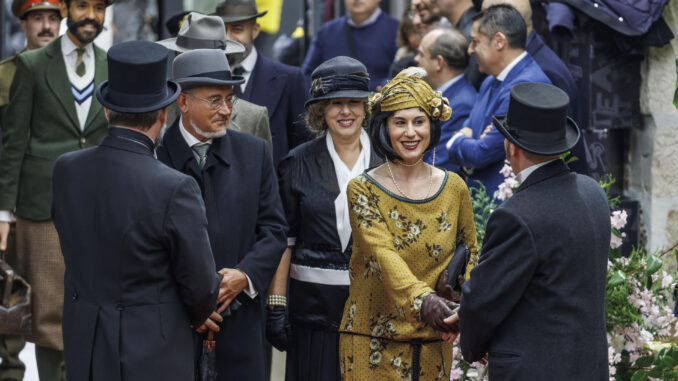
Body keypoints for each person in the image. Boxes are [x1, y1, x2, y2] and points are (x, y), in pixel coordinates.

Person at [52, 40, 223, 381]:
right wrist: (198, 311)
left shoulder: (65, 168)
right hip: (150, 351)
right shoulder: (175, 187)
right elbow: (202, 288)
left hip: (84, 344)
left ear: (105, 111)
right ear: (164, 114)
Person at [450, 82, 610, 379]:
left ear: (512, 147)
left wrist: (472, 342)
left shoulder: (516, 216)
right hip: (590, 367)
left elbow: (484, 300)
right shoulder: (593, 193)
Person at [337, 67, 478, 380]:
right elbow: (383, 255)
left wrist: (466, 309)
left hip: (434, 340)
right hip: (370, 342)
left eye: (419, 121)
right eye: (399, 122)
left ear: (431, 126)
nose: (410, 133)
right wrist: (424, 301)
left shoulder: (455, 187)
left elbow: (471, 252)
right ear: (384, 128)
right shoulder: (363, 188)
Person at [156, 48, 288, 381]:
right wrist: (195, 300)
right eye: (215, 100)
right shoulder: (155, 159)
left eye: (230, 99)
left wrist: (244, 275)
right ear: (183, 102)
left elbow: (274, 230)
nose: (227, 110)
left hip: (241, 322)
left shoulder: (253, 152)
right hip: (173, 322)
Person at [0, 0, 113, 379]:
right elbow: (14, 143)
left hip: (98, 203)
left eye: (99, 8)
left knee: (97, 306)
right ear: (67, 9)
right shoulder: (32, 66)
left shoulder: (113, 65)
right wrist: (3, 212)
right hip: (41, 204)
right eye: (83, 6)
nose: (91, 16)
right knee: (49, 311)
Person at [265, 56, 382, 381]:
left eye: (354, 102)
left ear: (365, 107)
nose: (346, 112)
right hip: (312, 316)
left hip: (377, 315)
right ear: (320, 111)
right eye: (335, 103)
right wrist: (277, 303)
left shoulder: (388, 163)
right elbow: (284, 241)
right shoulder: (296, 164)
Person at [0, 2, 61, 379]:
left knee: (56, 313)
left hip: (57, 208)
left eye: (53, 18)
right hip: (14, 209)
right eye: (37, 18)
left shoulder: (74, 74)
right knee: (10, 304)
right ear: (22, 23)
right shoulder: (6, 75)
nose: (45, 26)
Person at [444, 4, 550, 198]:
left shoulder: (524, 86)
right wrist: (469, 139)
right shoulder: (490, 81)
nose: (470, 50)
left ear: (499, 41)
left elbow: (481, 153)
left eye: (475, 41)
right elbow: (473, 138)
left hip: (498, 207)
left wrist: (456, 141)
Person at [481, 0, 587, 174]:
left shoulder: (540, 72)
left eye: (486, 19)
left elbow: (552, 149)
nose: (478, 26)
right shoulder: (524, 63)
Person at [156, 12, 272, 149]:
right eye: (188, 56)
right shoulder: (155, 113)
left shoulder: (252, 118)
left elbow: (261, 167)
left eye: (207, 58)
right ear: (177, 56)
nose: (195, 67)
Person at [215, 0, 310, 165]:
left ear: (255, 30)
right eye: (222, 29)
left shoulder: (290, 79)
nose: (228, 38)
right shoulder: (206, 78)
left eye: (237, 29)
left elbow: (305, 147)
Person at [415, 27, 477, 173]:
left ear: (439, 62)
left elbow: (439, 167)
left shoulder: (460, 105)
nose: (416, 59)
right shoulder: (447, 96)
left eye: (421, 54)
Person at [302, 0, 399, 91]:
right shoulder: (326, 33)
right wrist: (326, 92)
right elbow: (306, 76)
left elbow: (402, 76)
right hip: (333, 104)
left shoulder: (397, 32)